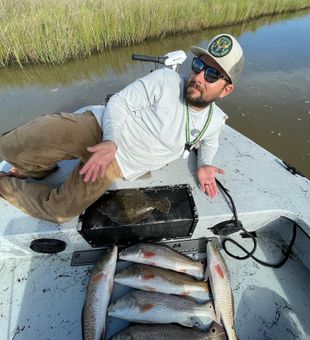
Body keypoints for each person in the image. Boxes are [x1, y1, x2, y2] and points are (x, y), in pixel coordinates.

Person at [0, 33, 244, 223]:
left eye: (212, 74)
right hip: (98, 126)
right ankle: (40, 170)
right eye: (198, 65)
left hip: (118, 163)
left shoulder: (215, 121)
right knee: (11, 147)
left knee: (60, 212)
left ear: (226, 90)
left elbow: (210, 141)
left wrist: (204, 165)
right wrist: (110, 140)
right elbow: (119, 102)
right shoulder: (166, 80)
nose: (199, 77)